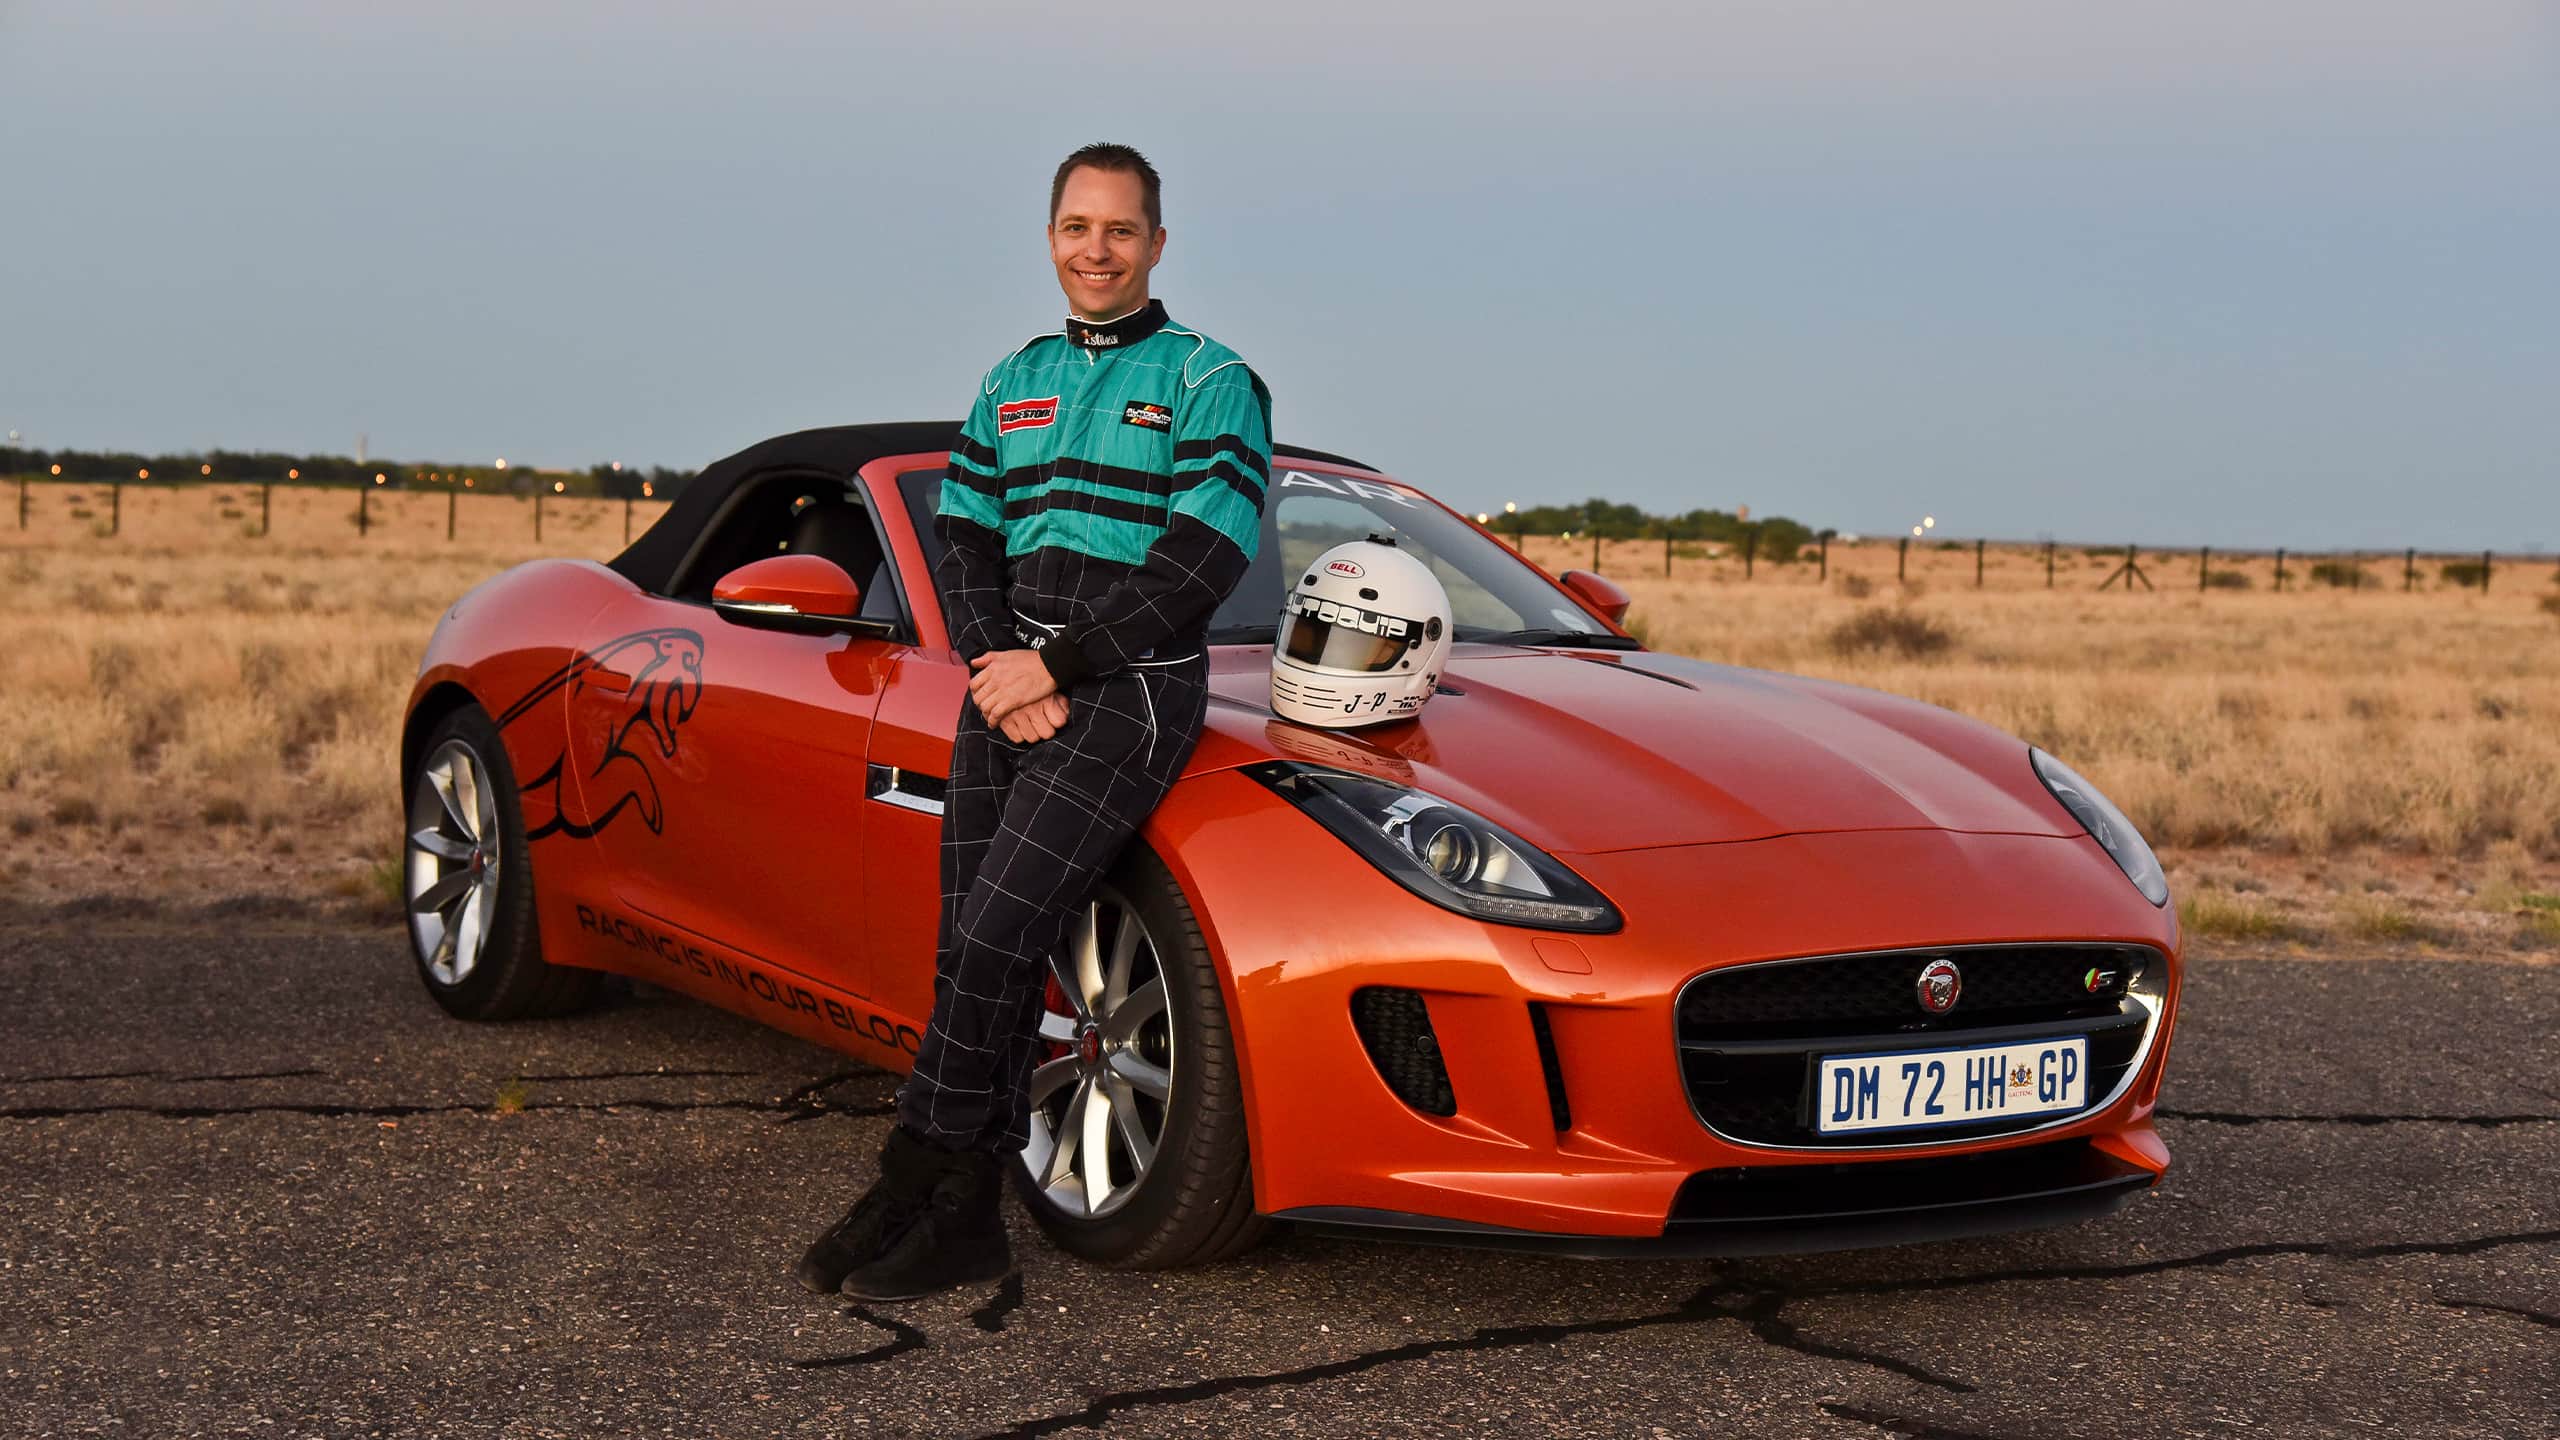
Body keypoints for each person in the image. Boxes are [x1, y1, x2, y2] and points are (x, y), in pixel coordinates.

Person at [796, 142, 1273, 1302]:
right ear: (1050, 238)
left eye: (1119, 230)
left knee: (1007, 937)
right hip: (1007, 676)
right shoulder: (1010, 376)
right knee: (970, 946)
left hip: (1136, 685)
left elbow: (1199, 561)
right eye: (1076, 228)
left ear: (1157, 244)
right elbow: (964, 534)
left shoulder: (1215, 381)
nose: (1095, 251)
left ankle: (913, 1168)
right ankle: (962, 1208)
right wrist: (998, 660)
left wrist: (1051, 661)